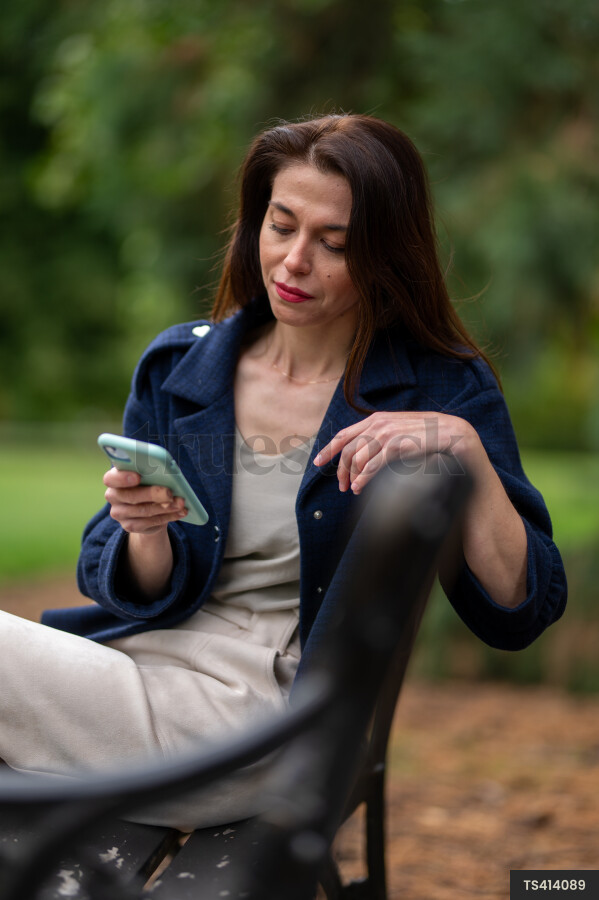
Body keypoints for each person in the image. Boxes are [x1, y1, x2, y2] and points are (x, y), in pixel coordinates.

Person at [1, 114, 566, 828]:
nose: (294, 261)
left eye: (334, 244)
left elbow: (521, 608)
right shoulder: (183, 368)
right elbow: (119, 579)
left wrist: (465, 450)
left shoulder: (440, 393)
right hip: (135, 681)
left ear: (386, 257)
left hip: (263, 732)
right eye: (281, 225)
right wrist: (145, 531)